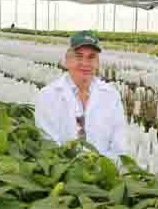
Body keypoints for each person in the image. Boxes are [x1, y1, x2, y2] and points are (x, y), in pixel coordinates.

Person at [34, 30, 128, 159]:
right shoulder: (47, 96)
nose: (85, 63)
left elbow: (119, 145)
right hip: (64, 174)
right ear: (67, 61)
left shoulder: (111, 96)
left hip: (104, 172)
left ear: (97, 63)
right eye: (79, 56)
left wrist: (103, 169)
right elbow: (49, 145)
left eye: (91, 57)